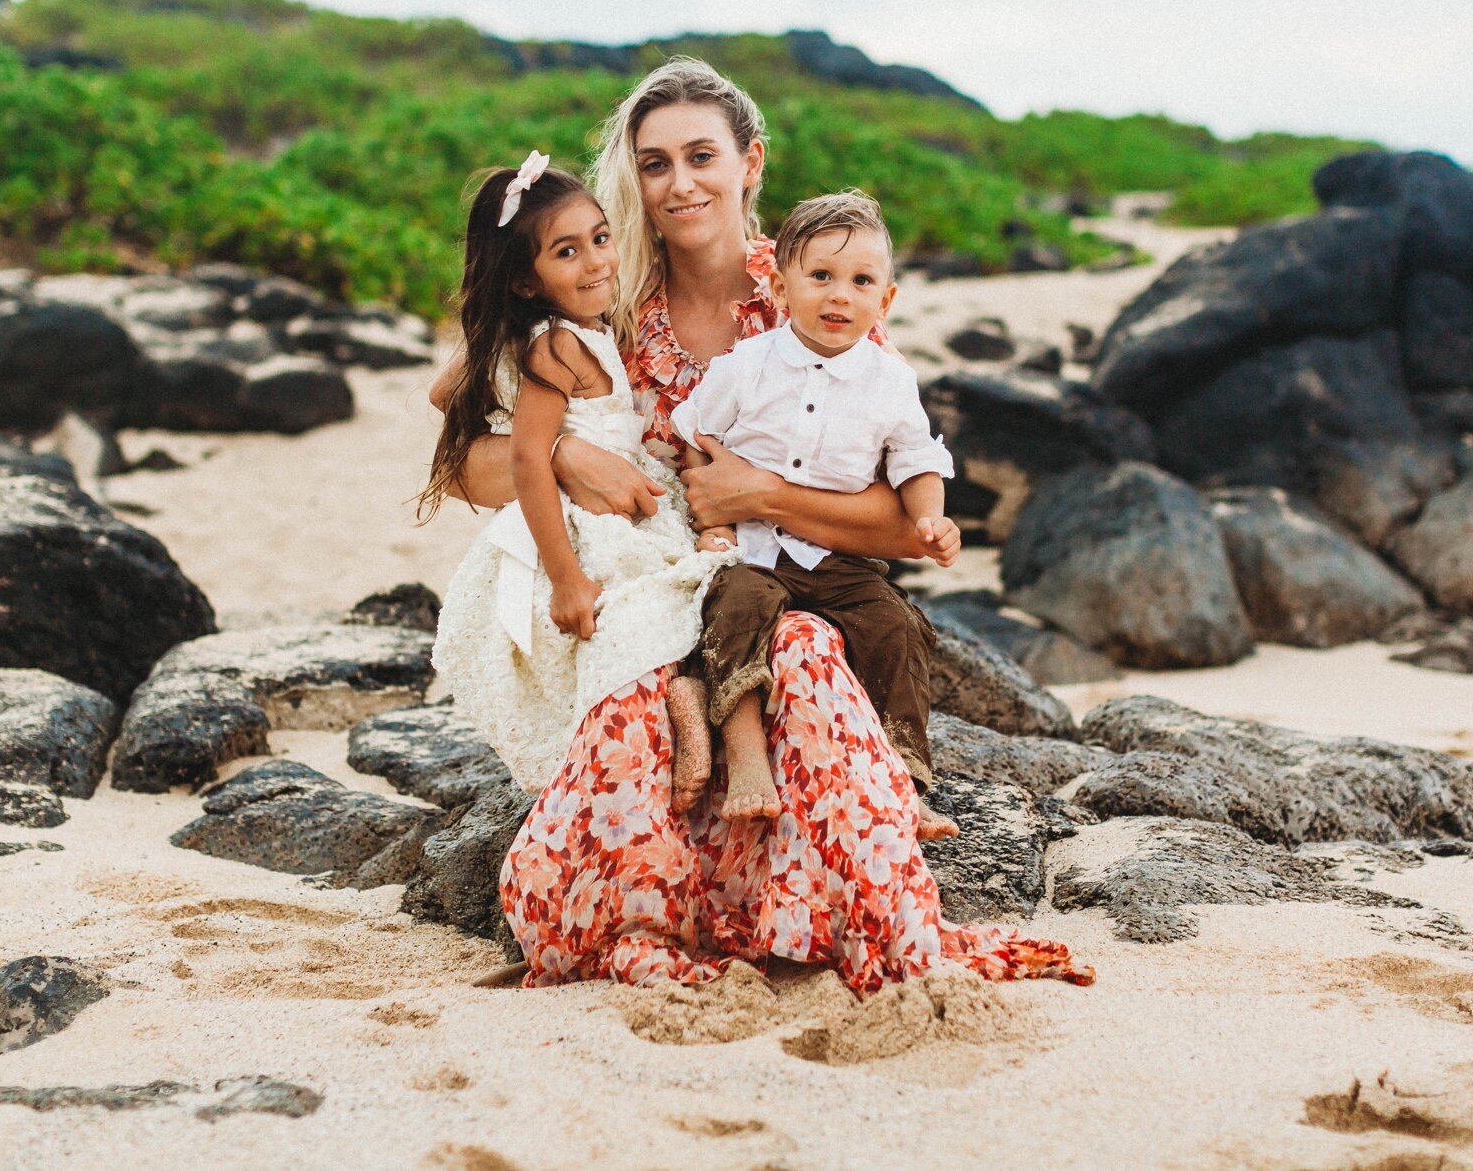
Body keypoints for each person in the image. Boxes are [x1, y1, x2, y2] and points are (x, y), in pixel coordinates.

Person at [432, 57, 1092, 994]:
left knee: (807, 664)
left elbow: (903, 523)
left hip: (793, 583)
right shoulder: (603, 291)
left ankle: (840, 921)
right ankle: (659, 924)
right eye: (654, 163)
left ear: (752, 163)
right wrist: (573, 458)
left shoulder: (822, 288)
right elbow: (464, 460)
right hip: (654, 581)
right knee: (637, 710)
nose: (678, 183)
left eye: (702, 155)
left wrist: (758, 497)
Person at [424, 153, 722, 796]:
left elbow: (442, 391)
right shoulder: (557, 345)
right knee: (639, 608)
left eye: (600, 237)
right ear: (526, 281)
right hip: (579, 524)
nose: (596, 262)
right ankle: (678, 712)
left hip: (616, 498)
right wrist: (564, 579)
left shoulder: (569, 330)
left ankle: (680, 704)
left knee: (667, 599)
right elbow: (530, 457)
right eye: (566, 253)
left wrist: (497, 331)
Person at [670, 189, 958, 831]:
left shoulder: (889, 381)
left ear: (884, 300)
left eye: (861, 282)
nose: (839, 296)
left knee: (895, 626)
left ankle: (902, 778)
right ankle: (745, 755)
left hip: (833, 556)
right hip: (749, 549)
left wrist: (930, 519)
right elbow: (694, 438)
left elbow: (916, 458)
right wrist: (714, 525)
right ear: (780, 287)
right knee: (737, 607)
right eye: (820, 276)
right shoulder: (746, 366)